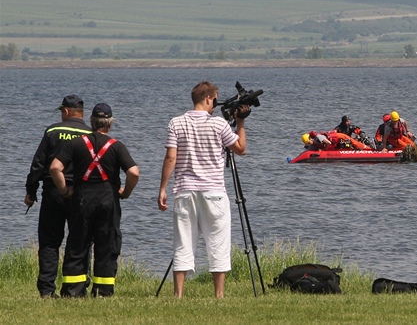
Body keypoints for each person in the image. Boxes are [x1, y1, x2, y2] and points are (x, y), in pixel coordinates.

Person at [158, 81, 250, 299]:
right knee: (218, 243)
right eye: (215, 99)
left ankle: (178, 295)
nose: (216, 104)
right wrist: (240, 123)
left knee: (183, 244)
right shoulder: (219, 125)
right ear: (209, 98)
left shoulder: (176, 123)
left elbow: (170, 157)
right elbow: (241, 149)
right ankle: (218, 295)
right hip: (214, 192)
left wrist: (162, 188)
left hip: (184, 191)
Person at [49, 103, 139, 297]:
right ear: (110, 124)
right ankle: (103, 291)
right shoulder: (116, 146)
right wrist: (126, 192)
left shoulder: (75, 143)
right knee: (107, 245)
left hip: (82, 199)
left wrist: (64, 190)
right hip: (108, 200)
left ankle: (73, 290)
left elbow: (55, 168)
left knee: (78, 244)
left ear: (91, 122)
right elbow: (134, 173)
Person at [24, 94, 92, 298]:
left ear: (65, 111)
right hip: (80, 193)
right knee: (79, 241)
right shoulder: (89, 133)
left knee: (49, 241)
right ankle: (75, 288)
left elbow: (38, 164)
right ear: (82, 113)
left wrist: (31, 191)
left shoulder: (52, 131)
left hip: (52, 192)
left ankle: (46, 289)